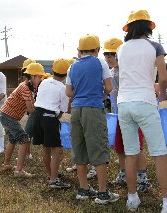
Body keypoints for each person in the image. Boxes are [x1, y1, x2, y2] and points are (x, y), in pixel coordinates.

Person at [117, 10, 167, 212]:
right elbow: (163, 78)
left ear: (129, 28)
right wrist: (162, 95)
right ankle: (165, 202)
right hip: (145, 102)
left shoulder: (121, 48)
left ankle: (132, 198)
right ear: (148, 27)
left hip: (124, 104)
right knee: (160, 153)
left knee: (131, 154)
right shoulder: (155, 46)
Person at [66, 34, 119, 204]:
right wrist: (100, 94)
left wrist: (81, 95)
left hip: (76, 110)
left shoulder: (72, 66)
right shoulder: (100, 62)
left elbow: (68, 92)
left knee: (79, 150)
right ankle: (103, 193)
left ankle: (84, 189)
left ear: (80, 51)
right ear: (97, 50)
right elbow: (109, 87)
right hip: (93, 109)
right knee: (98, 149)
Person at [103, 37, 151, 191]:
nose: (109, 58)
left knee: (136, 146)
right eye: (106, 54)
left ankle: (143, 178)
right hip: (119, 114)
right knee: (120, 146)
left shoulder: (127, 70)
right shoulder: (110, 73)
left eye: (112, 54)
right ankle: (123, 174)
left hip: (133, 113)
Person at [0, 62, 45, 178]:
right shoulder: (25, 88)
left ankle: (6, 164)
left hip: (5, 115)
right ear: (33, 76)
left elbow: (32, 104)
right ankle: (19, 171)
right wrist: (42, 111)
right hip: (8, 116)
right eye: (39, 77)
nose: (40, 79)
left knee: (12, 139)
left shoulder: (27, 86)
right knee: (24, 140)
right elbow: (30, 108)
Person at [33, 58, 71, 189]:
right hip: (49, 117)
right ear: (66, 74)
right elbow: (63, 110)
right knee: (57, 150)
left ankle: (51, 175)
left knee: (46, 147)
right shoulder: (63, 88)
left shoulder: (44, 81)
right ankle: (54, 180)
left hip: (37, 115)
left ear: (53, 70)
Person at [22, 58, 37, 160]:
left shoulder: (38, 82)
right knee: (28, 132)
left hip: (37, 110)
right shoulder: (27, 83)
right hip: (33, 110)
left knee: (28, 132)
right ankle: (27, 154)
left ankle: (27, 154)